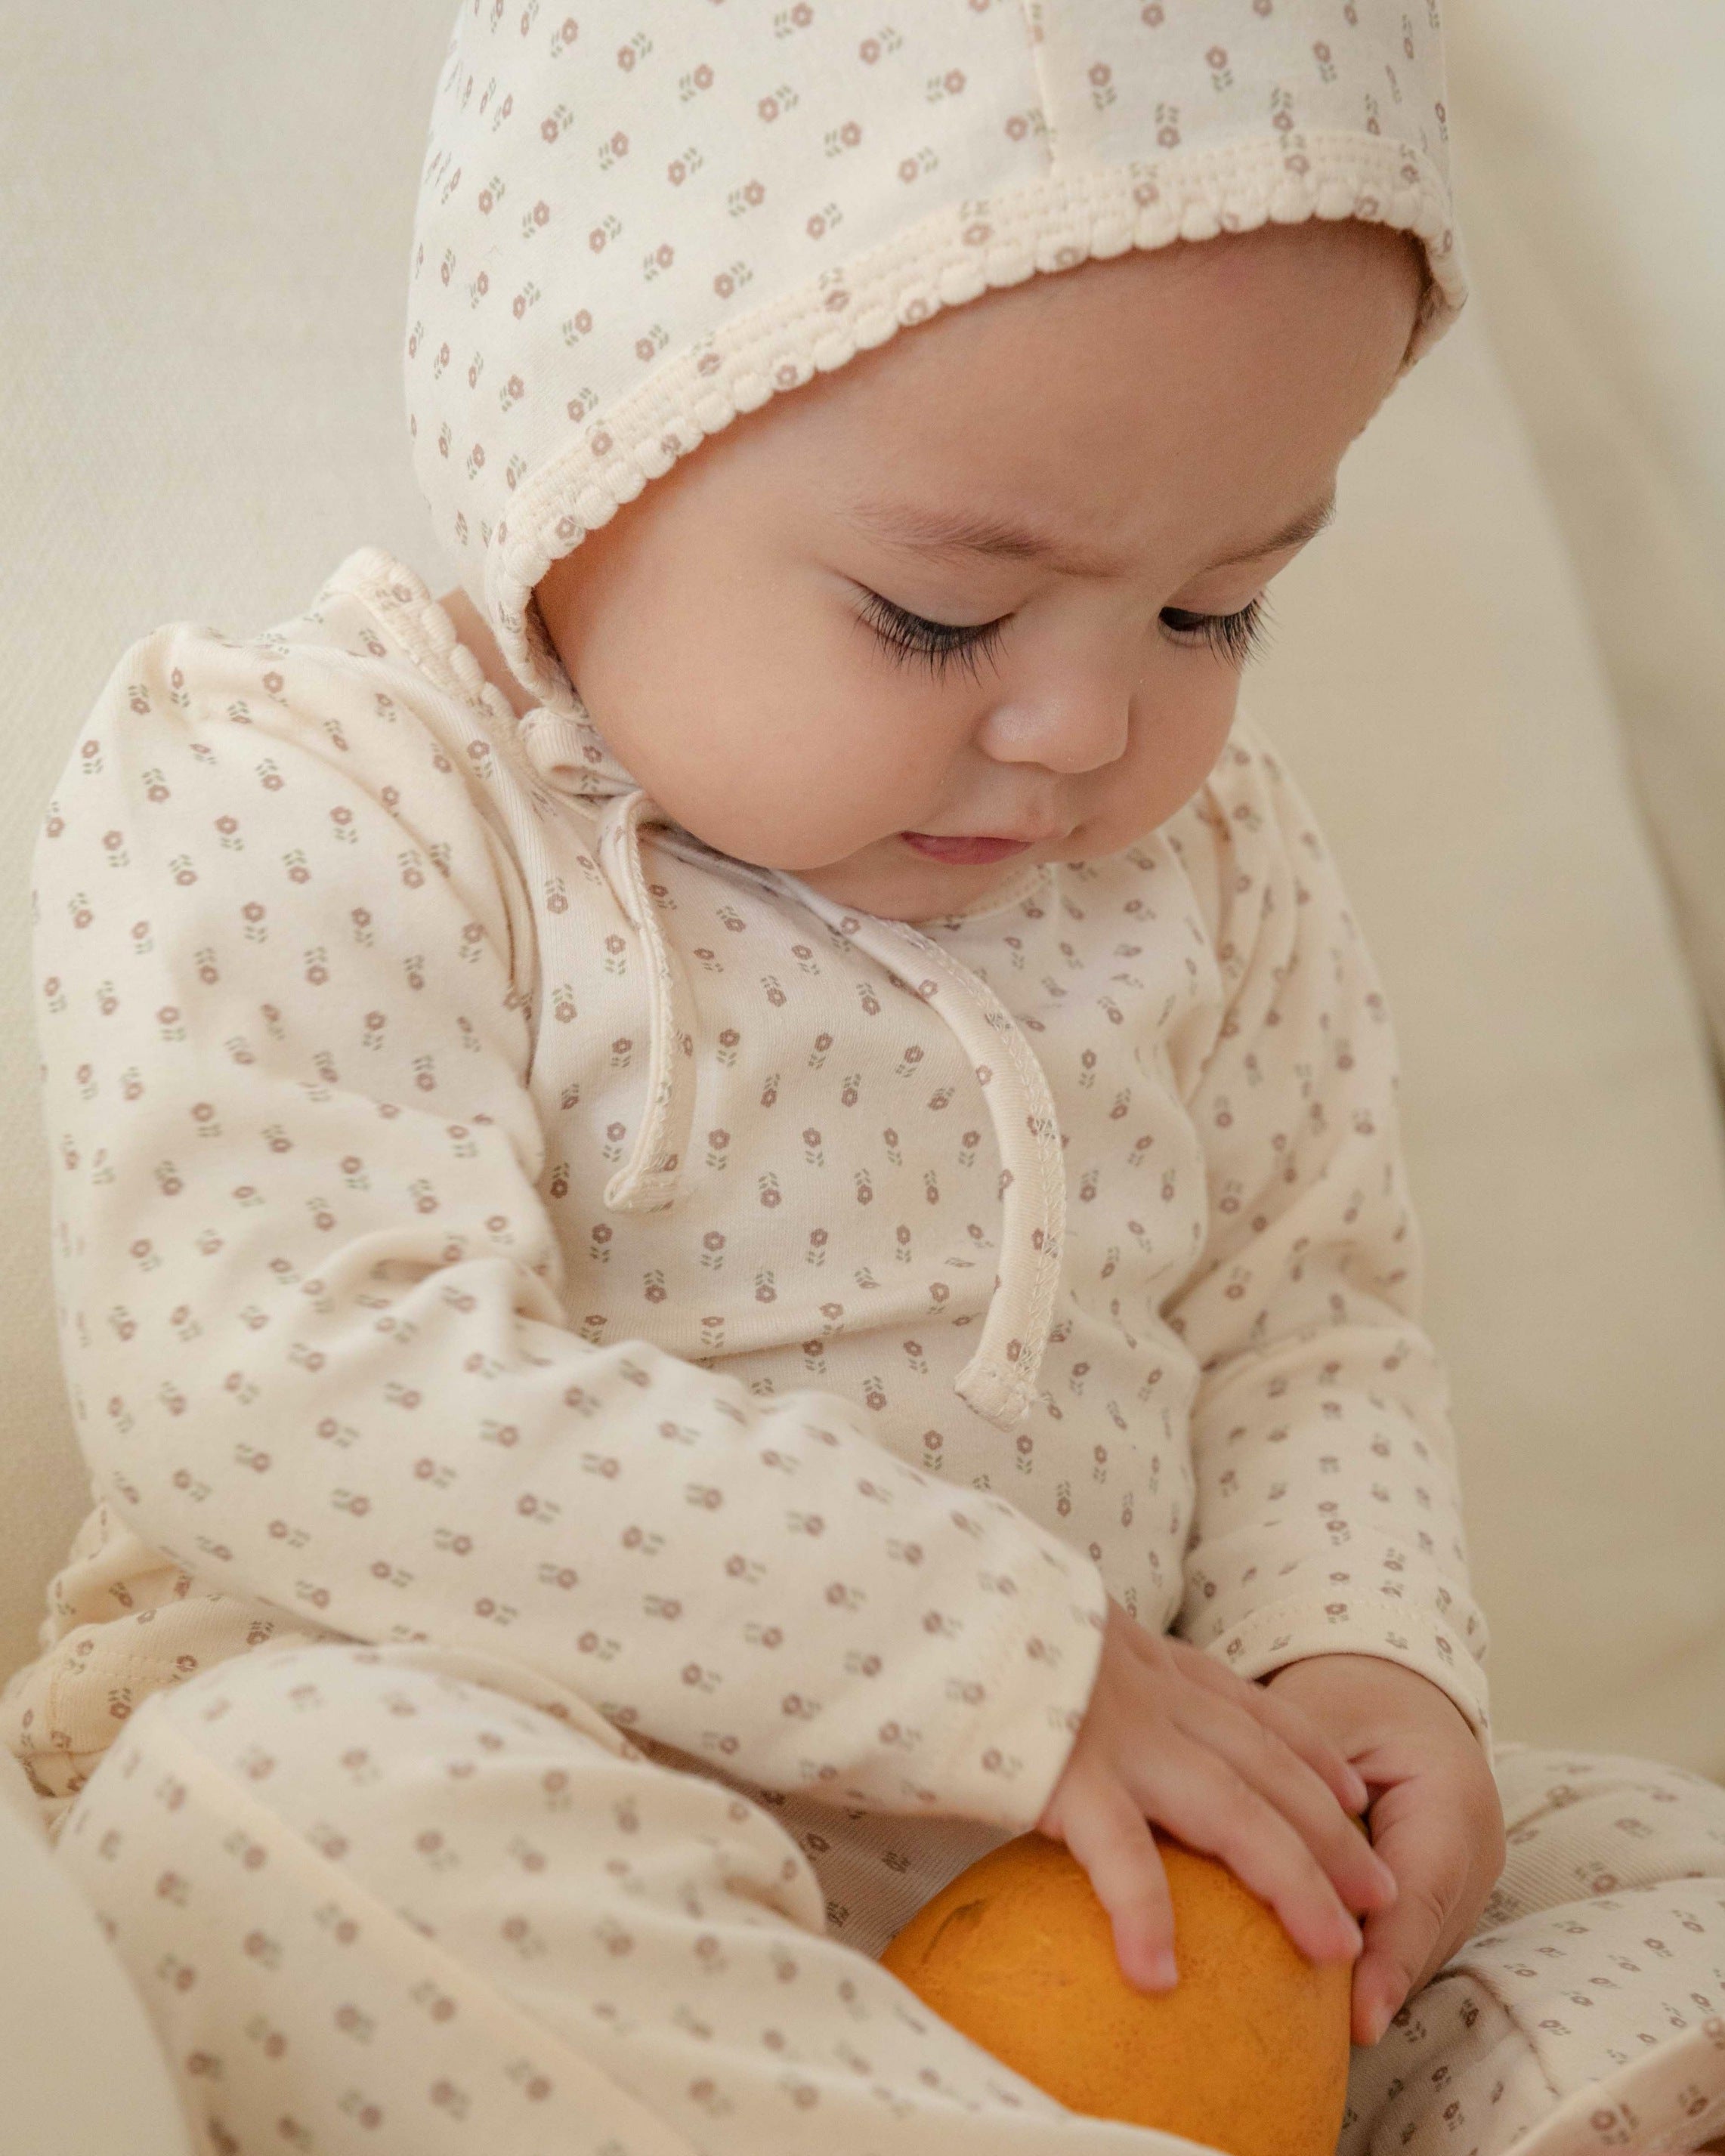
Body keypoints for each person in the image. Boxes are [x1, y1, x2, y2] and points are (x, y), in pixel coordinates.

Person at [6, 3, 1723, 2151]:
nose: (1090, 730)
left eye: (1214, 610)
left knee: (1664, 1867)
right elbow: (271, 1375)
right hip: (566, 1805)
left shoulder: (1208, 862)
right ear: (580, 452)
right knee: (253, 1818)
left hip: (1138, 1864)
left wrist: (1350, 1670)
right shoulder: (318, 791)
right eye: (935, 617)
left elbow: (1297, 1314)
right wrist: (996, 1664)